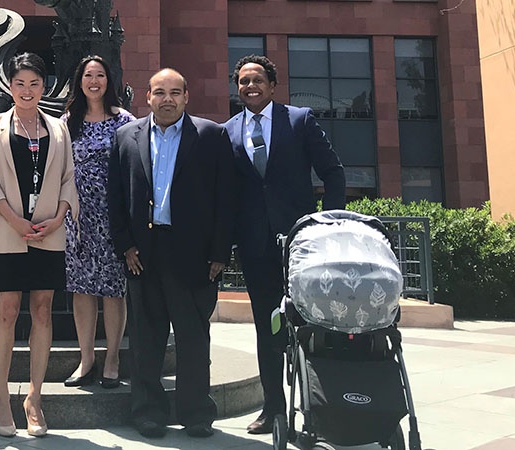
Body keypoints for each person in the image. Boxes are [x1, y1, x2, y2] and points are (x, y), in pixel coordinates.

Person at [108, 68, 234, 439]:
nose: (167, 99)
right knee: (146, 339)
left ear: (186, 96)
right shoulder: (126, 137)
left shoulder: (211, 135)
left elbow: (225, 199)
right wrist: (125, 245)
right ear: (147, 96)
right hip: (142, 255)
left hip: (195, 257)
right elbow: (116, 198)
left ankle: (196, 412)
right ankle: (147, 411)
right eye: (159, 92)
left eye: (174, 92)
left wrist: (220, 253)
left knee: (194, 338)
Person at [223, 55, 346, 434]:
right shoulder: (227, 131)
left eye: (257, 80)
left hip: (303, 248)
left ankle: (323, 406)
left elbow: (333, 173)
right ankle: (274, 409)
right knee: (268, 329)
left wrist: (327, 227)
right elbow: (227, 194)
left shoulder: (299, 120)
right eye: (243, 82)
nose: (250, 86)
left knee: (314, 327)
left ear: (273, 86)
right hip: (255, 248)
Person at [0, 52, 78, 438]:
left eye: (34, 83)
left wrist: (60, 215)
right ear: (10, 86)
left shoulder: (58, 128)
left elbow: (69, 177)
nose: (27, 90)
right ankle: (2, 397)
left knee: (42, 309)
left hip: (49, 231)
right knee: (7, 309)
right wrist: (13, 218)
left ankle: (34, 398)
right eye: (20, 83)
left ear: (44, 87)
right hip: (8, 229)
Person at [62, 55, 135, 390]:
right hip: (76, 219)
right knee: (81, 289)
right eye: (88, 74)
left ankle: (112, 358)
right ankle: (86, 358)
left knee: (112, 290)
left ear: (109, 81)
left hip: (112, 217)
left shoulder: (125, 122)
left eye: (100, 75)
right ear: (79, 80)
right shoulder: (67, 122)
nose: (94, 81)